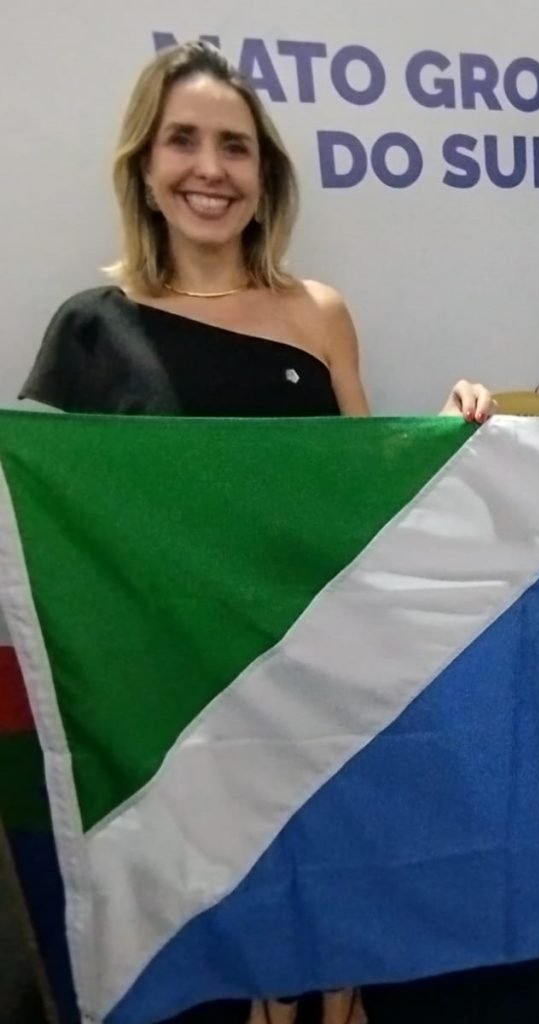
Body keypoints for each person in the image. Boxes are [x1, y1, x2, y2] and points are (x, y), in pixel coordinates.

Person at [19, 41, 495, 1024]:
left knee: (333, 905)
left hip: (316, 668)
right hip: (185, 694)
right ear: (144, 164)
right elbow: (49, 524)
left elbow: (362, 488)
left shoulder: (317, 314)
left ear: (264, 172)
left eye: (234, 147)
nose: (210, 169)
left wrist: (453, 434)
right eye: (183, 141)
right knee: (248, 934)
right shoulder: (88, 328)